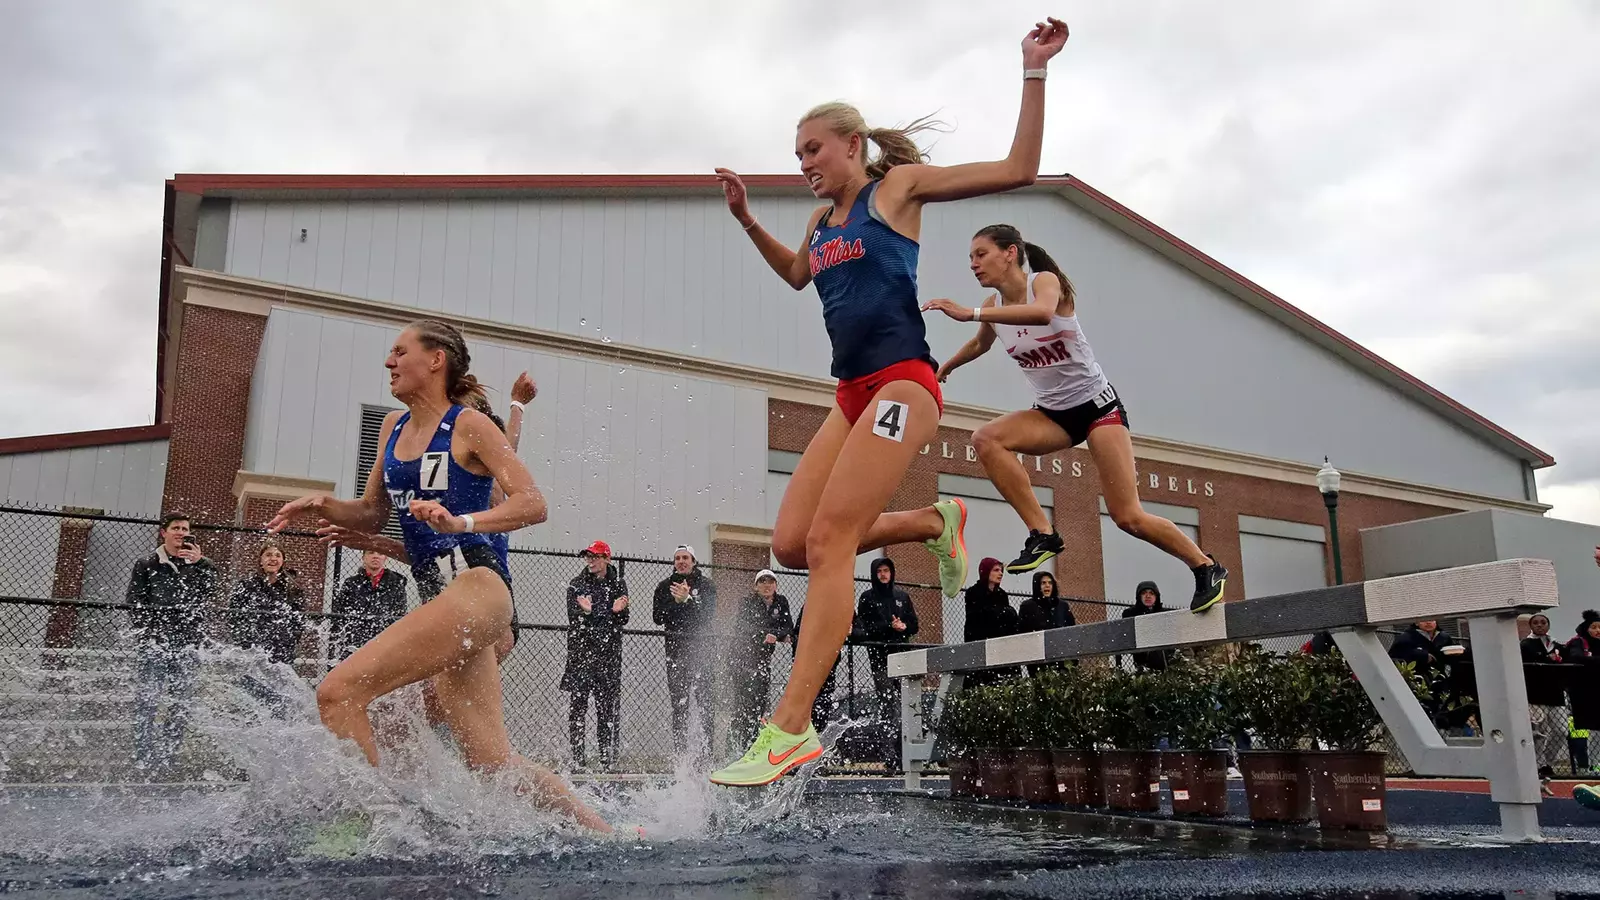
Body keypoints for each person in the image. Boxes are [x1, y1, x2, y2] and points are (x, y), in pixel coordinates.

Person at [708, 16, 1070, 787]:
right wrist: (745, 220)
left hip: (906, 382)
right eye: (796, 153)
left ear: (851, 145)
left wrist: (1033, 70)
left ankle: (790, 727)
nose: (804, 163)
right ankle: (931, 524)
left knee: (834, 542)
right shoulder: (819, 218)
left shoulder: (894, 191)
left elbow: (1019, 167)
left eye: (813, 148)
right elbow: (800, 277)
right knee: (792, 546)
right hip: (850, 394)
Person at [267, 320, 610, 833]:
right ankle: (608, 835)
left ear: (435, 361)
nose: (388, 362)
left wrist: (462, 523)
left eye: (398, 351)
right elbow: (370, 512)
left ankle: (364, 830)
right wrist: (326, 505)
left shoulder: (469, 425)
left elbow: (533, 504)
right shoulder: (390, 428)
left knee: (337, 693)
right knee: (486, 762)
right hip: (442, 598)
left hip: (479, 589)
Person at [922, 224, 1227, 612]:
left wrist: (972, 312)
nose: (973, 264)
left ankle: (1205, 566)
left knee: (1128, 516)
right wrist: (946, 367)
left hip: (1099, 410)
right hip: (1053, 415)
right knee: (986, 439)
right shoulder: (994, 307)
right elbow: (981, 342)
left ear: (1010, 253)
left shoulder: (1044, 283)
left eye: (980, 254)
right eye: (970, 258)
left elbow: (1042, 313)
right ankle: (1042, 532)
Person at [124, 512, 219, 777]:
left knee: (181, 702)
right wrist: (151, 630)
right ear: (163, 532)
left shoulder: (201, 564)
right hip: (155, 643)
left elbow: (210, 592)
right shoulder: (147, 563)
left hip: (188, 644)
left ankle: (168, 756)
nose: (181, 533)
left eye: (185, 529)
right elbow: (135, 601)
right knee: (148, 701)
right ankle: (143, 756)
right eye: (175, 528)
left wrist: (200, 564)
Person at [562, 540, 631, 770]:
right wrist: (607, 611)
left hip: (607, 658)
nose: (590, 560)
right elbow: (576, 617)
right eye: (588, 556)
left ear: (606, 559)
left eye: (595, 556)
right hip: (581, 656)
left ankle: (604, 759)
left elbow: (623, 618)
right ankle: (578, 760)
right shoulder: (576, 584)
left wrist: (593, 612)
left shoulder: (619, 584)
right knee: (578, 710)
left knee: (605, 711)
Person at [652, 545, 718, 755]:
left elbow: (706, 616)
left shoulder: (707, 585)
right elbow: (658, 617)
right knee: (679, 706)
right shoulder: (664, 587)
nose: (681, 561)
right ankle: (681, 755)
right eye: (678, 558)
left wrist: (688, 600)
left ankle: (706, 755)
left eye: (685, 557)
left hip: (702, 653)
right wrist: (677, 602)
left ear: (694, 561)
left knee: (705, 706)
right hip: (675, 654)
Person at [855, 557, 918, 769]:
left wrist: (903, 627)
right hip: (880, 660)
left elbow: (914, 625)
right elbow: (864, 627)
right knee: (888, 706)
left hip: (903, 657)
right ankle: (891, 757)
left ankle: (908, 755)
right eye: (880, 571)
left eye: (886, 570)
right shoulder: (867, 598)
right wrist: (889, 627)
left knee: (906, 704)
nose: (883, 574)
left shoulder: (902, 596)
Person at [730, 570, 796, 749]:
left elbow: (788, 626)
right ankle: (738, 747)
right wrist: (765, 634)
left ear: (776, 585)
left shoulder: (781, 602)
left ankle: (756, 746)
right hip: (741, 659)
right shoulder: (747, 602)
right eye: (762, 582)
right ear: (755, 586)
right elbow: (744, 626)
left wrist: (776, 634)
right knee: (743, 706)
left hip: (763, 660)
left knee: (761, 704)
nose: (766, 585)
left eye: (770, 582)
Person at [328, 550, 409, 660]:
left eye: (380, 553)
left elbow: (400, 612)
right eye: (371, 553)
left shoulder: (396, 583)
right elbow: (340, 611)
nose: (376, 556)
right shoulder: (351, 583)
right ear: (364, 557)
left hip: (384, 638)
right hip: (355, 639)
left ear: (385, 558)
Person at [962, 558, 1021, 688]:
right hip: (980, 646)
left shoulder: (1002, 594)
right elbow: (980, 618)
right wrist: (1003, 613)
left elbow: (1005, 619)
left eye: (1001, 570)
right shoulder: (974, 593)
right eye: (996, 570)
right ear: (986, 572)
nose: (1000, 573)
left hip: (1001, 646)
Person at [1120, 582, 1172, 672]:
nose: (1148, 596)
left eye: (1151, 593)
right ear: (1139, 596)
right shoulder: (1131, 614)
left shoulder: (1165, 615)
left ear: (1156, 596)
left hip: (1166, 663)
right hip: (1143, 664)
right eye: (1144, 593)